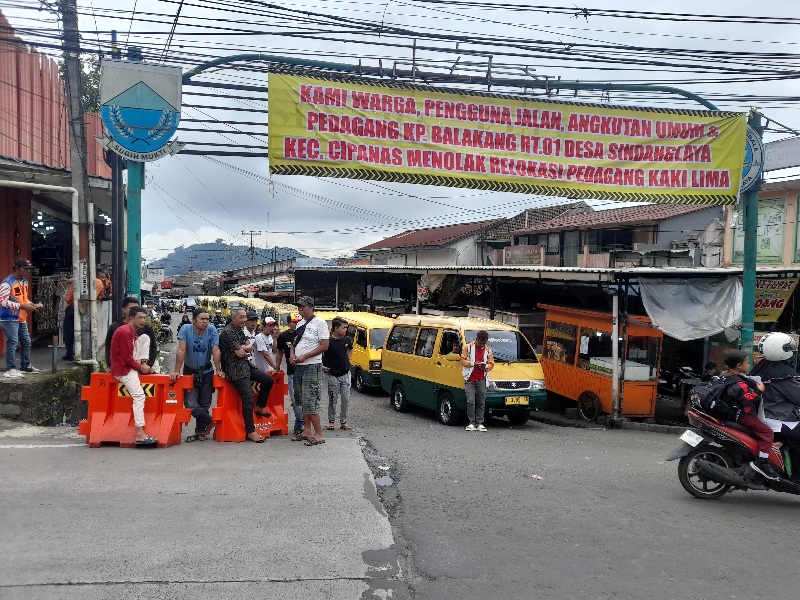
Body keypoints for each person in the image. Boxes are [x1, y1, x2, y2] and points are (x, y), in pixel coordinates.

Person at [721, 349, 781, 481]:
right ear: (739, 366)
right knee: (767, 432)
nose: (749, 365)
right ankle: (762, 462)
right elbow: (748, 400)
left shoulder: (725, 375)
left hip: (730, 412)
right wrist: (759, 391)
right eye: (747, 362)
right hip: (740, 415)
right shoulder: (738, 383)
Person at [218, 308, 274, 443]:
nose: (245, 320)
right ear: (234, 318)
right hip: (235, 370)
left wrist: (244, 347)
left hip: (247, 366)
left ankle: (259, 407)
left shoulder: (239, 331)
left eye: (245, 318)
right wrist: (244, 348)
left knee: (268, 380)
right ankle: (251, 431)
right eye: (242, 317)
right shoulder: (227, 332)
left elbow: (248, 346)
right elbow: (241, 353)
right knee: (248, 397)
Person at [170, 307, 222, 442]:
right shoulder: (186, 329)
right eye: (202, 319)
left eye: (207, 319)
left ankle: (200, 432)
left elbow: (215, 351)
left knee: (204, 404)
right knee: (190, 404)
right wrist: (176, 370)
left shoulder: (212, 330)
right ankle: (210, 421)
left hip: (206, 371)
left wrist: (218, 370)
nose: (205, 322)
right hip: (190, 372)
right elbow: (181, 350)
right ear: (194, 320)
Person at [110, 306, 156, 446]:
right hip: (123, 370)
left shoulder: (130, 332)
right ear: (131, 318)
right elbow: (126, 358)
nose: (143, 320)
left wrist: (142, 364)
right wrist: (140, 367)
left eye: (144, 317)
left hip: (128, 365)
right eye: (140, 318)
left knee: (145, 338)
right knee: (139, 396)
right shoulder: (124, 332)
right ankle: (140, 434)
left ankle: (144, 366)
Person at [290, 296, 329, 446]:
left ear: (311, 307)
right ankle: (307, 430)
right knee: (302, 400)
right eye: (299, 307)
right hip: (299, 365)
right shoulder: (300, 323)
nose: (300, 310)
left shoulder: (320, 323)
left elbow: (324, 346)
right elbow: (294, 343)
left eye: (303, 307)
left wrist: (305, 356)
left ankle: (318, 434)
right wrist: (293, 355)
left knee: (311, 399)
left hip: (312, 365)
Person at [0, 259, 42, 377]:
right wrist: (23, 306)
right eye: (25, 269)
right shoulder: (7, 283)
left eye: (29, 269)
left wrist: (29, 304)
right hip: (8, 317)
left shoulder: (24, 281)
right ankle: (11, 368)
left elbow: (22, 299)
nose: (28, 271)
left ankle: (25, 365)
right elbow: (2, 302)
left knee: (26, 341)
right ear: (17, 269)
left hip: (20, 316)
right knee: (13, 341)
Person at [105, 297, 158, 369]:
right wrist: (111, 365)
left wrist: (147, 365)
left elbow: (153, 347)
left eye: (137, 308)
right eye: (132, 309)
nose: (135, 311)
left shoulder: (146, 327)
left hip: (142, 366)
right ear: (124, 309)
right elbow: (109, 347)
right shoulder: (115, 327)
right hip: (122, 366)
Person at [63, 276, 106, 361]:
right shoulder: (99, 283)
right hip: (90, 310)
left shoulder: (76, 281)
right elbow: (100, 297)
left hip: (73, 309)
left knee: (69, 333)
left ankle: (70, 354)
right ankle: (87, 354)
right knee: (88, 332)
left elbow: (67, 298)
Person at [460, 330, 495, 432]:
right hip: (470, 378)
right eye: (480, 342)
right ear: (476, 339)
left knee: (481, 402)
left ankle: (479, 423)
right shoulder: (468, 347)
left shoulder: (488, 350)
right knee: (471, 401)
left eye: (484, 343)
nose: (481, 345)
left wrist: (486, 366)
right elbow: (462, 360)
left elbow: (491, 364)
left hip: (482, 379)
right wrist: (473, 363)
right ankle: (471, 423)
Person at [276, 312, 303, 438]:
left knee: (307, 401)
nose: (296, 324)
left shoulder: (305, 334)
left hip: (306, 372)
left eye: (298, 322)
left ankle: (303, 426)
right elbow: (279, 353)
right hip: (292, 373)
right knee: (295, 401)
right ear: (288, 323)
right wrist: (277, 367)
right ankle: (299, 425)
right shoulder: (283, 336)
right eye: (294, 322)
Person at [323, 317, 353, 431]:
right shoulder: (328, 342)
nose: (345, 330)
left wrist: (348, 358)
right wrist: (323, 367)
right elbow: (321, 355)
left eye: (346, 327)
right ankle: (331, 422)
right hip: (333, 375)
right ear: (336, 328)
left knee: (345, 399)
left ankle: (343, 422)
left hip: (345, 374)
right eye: (343, 327)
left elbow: (350, 349)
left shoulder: (347, 340)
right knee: (332, 399)